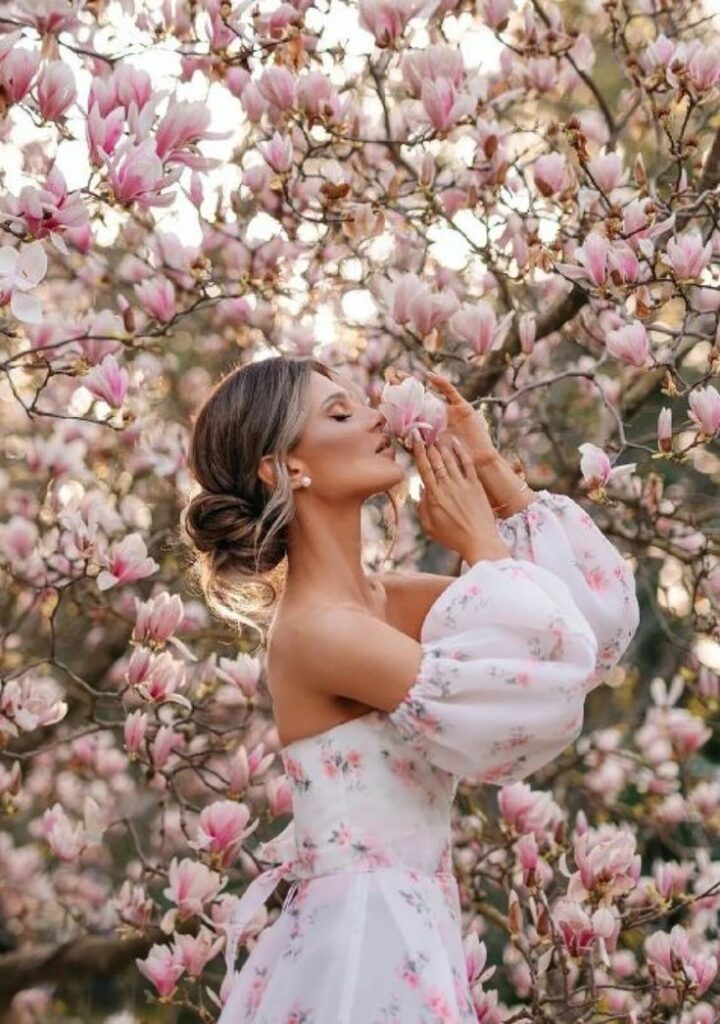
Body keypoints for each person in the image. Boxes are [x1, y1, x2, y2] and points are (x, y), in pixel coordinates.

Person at [181, 354, 640, 1023]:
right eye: (339, 413)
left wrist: (490, 473)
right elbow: (536, 704)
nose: (375, 417)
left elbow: (584, 636)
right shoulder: (320, 631)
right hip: (365, 943)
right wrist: (482, 546)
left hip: (415, 926)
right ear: (283, 469)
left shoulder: (389, 602)